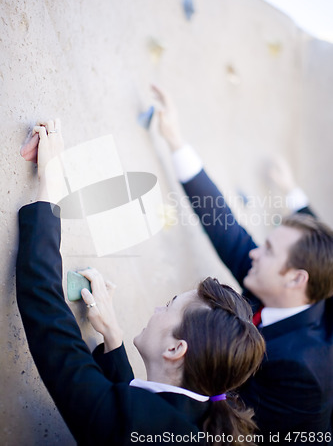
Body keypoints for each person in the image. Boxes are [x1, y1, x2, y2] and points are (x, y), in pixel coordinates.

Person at [16, 120, 266, 446]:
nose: (158, 307)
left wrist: (49, 178)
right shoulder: (195, 418)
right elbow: (133, 408)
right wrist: (113, 339)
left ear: (176, 349)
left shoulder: (132, 428)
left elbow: (46, 316)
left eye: (170, 305)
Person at [152, 85, 333, 445]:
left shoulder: (300, 370)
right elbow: (228, 231)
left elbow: (237, 425)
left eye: (267, 250)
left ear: (297, 279)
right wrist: (176, 141)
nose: (253, 252)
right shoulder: (285, 287)